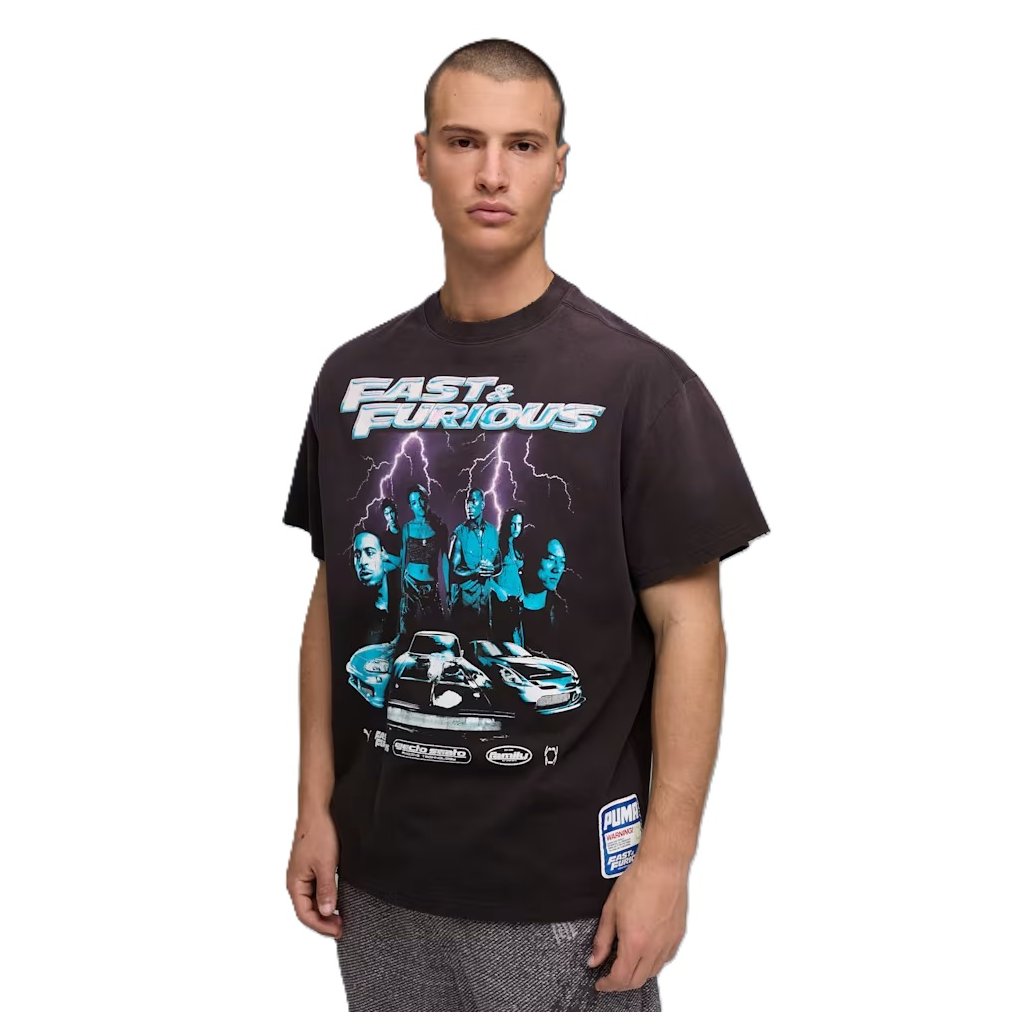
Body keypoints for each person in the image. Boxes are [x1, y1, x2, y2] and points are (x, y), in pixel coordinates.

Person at [283, 38, 769, 1013]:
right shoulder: (353, 377)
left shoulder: (637, 381)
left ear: (560, 165)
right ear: (422, 155)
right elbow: (333, 603)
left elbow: (691, 628)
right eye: (465, 141)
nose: (493, 174)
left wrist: (666, 861)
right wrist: (313, 807)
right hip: (382, 879)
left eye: (523, 145)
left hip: (566, 891)